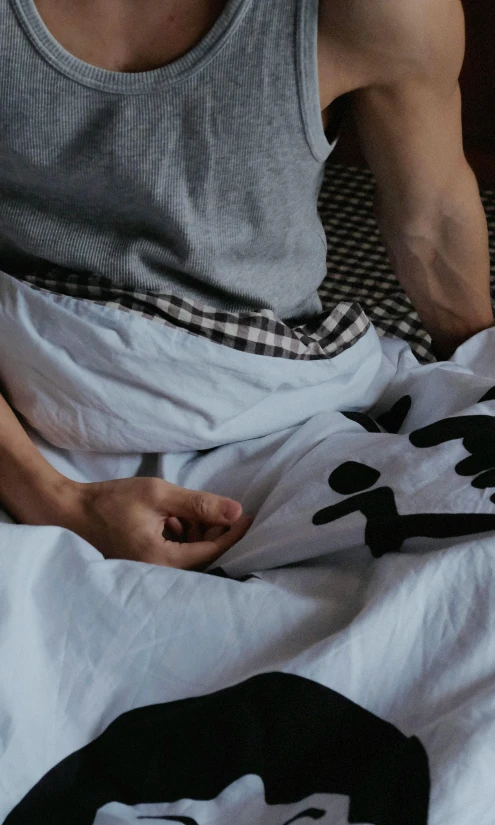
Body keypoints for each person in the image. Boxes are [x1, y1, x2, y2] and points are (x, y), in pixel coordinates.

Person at [0, 0, 493, 570]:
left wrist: (479, 384)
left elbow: (429, 221)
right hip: (25, 415)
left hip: (280, 408)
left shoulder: (377, 10)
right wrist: (60, 503)